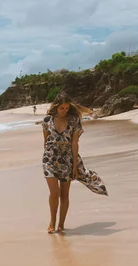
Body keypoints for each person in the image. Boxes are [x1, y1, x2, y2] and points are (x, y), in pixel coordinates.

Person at [41, 93, 107, 234]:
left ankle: (61, 224)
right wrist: (46, 157)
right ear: (56, 107)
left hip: (68, 159)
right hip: (50, 159)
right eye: (61, 108)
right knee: (54, 192)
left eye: (66, 108)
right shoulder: (47, 120)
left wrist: (75, 164)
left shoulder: (74, 120)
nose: (64, 111)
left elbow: (74, 143)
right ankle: (52, 223)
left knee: (64, 194)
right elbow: (45, 142)